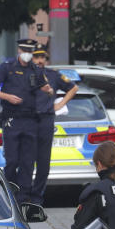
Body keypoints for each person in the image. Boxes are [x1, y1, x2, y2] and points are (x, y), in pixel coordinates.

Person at [0, 38, 47, 203]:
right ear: (19, 51)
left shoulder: (36, 70)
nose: (27, 54)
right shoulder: (8, 67)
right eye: (25, 51)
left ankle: (23, 198)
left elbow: (44, 87)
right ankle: (9, 192)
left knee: (27, 162)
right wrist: (7, 97)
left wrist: (49, 90)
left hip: (31, 120)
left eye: (30, 51)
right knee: (11, 160)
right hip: (12, 119)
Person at [29, 43, 78, 205]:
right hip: (27, 121)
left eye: (42, 56)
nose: (39, 60)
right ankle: (23, 197)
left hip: (45, 121)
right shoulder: (24, 74)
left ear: (46, 59)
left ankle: (36, 199)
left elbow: (73, 88)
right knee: (25, 161)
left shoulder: (54, 75)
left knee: (43, 163)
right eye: (36, 56)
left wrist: (60, 104)